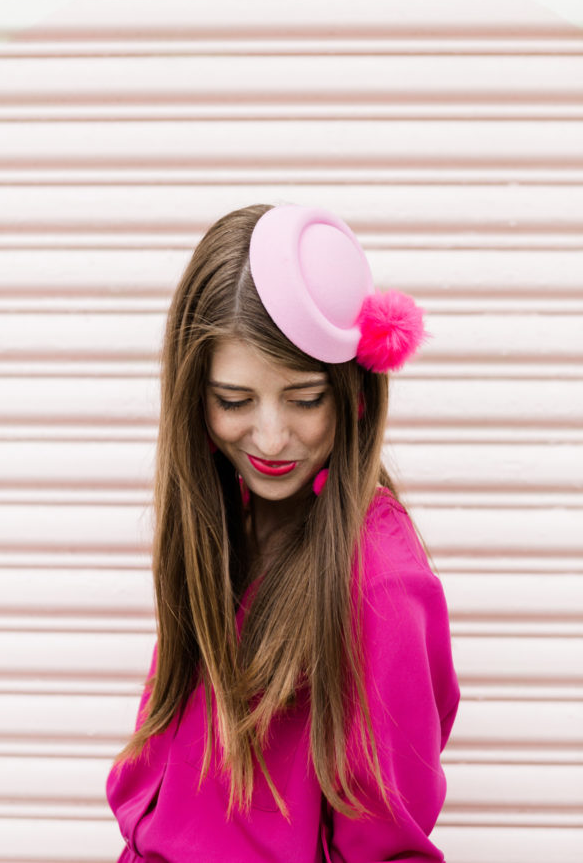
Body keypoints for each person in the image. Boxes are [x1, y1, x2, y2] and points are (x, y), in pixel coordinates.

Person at [105, 202, 461, 862]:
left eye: (304, 398)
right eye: (234, 401)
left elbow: (386, 843)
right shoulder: (223, 517)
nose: (270, 439)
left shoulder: (381, 583)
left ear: (354, 390)